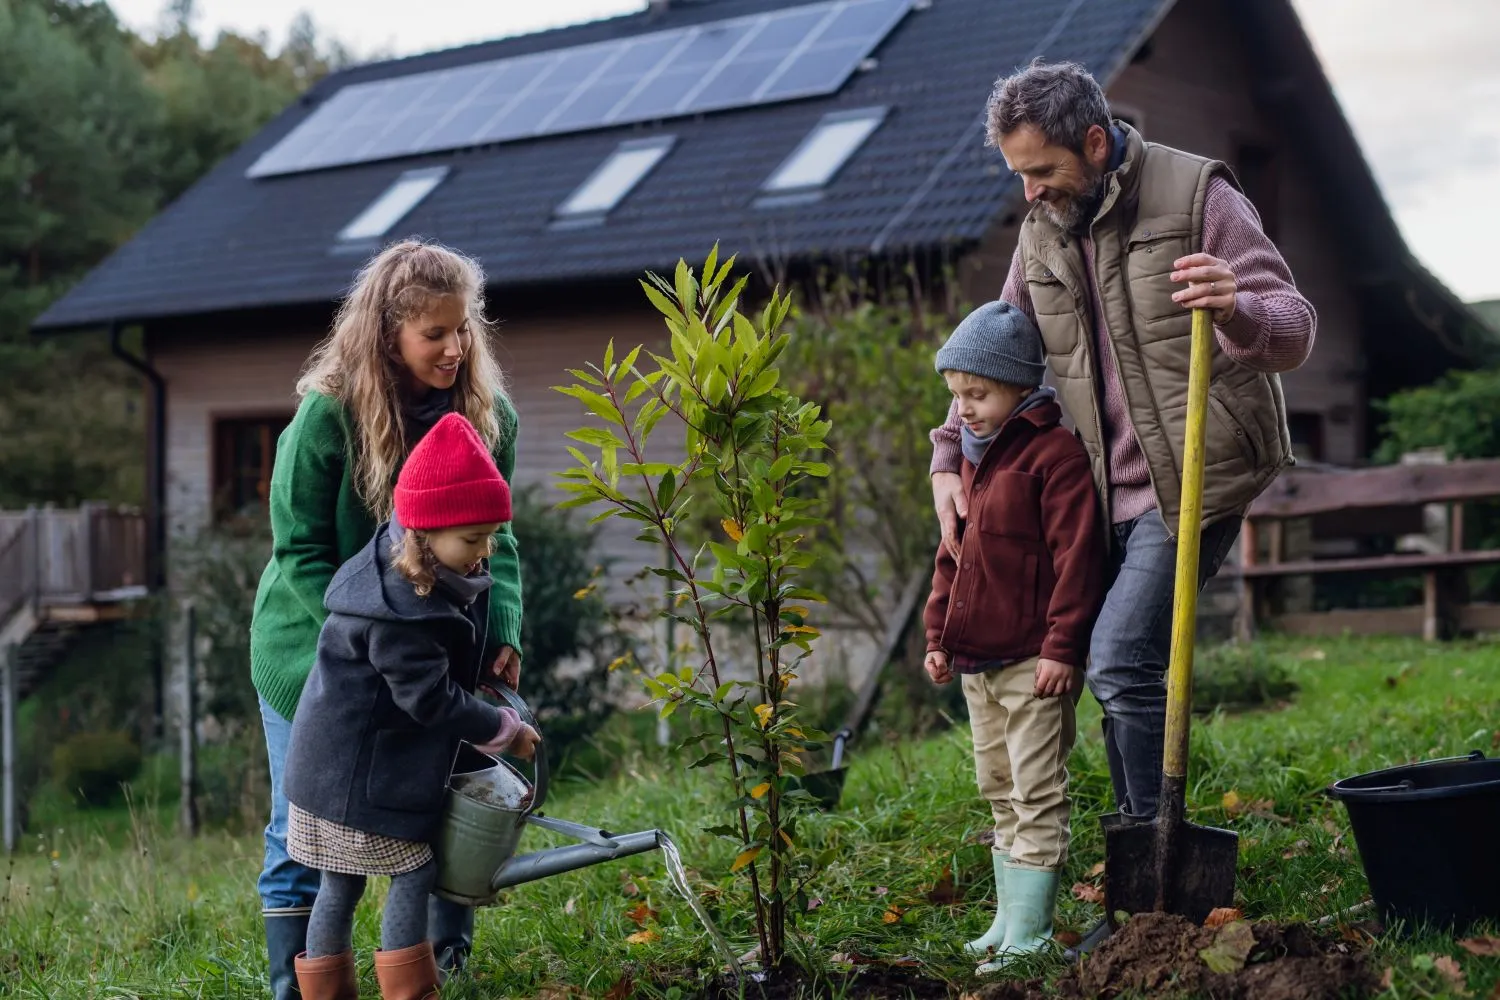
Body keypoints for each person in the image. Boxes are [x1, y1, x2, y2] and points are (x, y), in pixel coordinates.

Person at [930, 61, 1315, 954]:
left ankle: (1154, 873)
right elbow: (997, 349)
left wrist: (1238, 306)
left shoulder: (1197, 193)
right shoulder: (1042, 231)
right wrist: (950, 453)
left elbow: (1294, 323)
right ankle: (1144, 857)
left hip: (1193, 477)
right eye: (1017, 174)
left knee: (1117, 659)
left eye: (1043, 171)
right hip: (1096, 489)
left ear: (1095, 144)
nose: (1029, 192)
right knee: (1109, 665)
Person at [252, 240, 525, 997]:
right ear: (386, 334)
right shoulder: (327, 414)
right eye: (433, 332)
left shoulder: (486, 413)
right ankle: (292, 980)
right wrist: (364, 637)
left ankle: (444, 957)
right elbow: (300, 546)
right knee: (303, 817)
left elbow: (501, 533)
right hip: (314, 645)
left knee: (443, 792)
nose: (454, 346)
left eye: (463, 328)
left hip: (432, 643)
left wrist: (501, 627)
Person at [284, 412, 541, 999]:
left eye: (490, 538)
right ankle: (411, 993)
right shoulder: (399, 611)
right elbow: (430, 700)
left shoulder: (403, 570)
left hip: (332, 766)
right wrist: (504, 730)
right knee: (414, 869)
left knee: (340, 884)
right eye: (472, 540)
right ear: (425, 531)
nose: (484, 554)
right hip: (358, 776)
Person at [922, 301, 1106, 972]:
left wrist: (1062, 647)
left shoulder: (1052, 458)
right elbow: (954, 556)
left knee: (1035, 790)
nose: (962, 409)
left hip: (1032, 663)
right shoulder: (972, 458)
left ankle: (1032, 934)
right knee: (996, 783)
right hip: (978, 660)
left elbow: (1078, 559)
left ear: (1021, 387)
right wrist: (939, 635)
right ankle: (1008, 920)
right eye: (956, 395)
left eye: (977, 393)